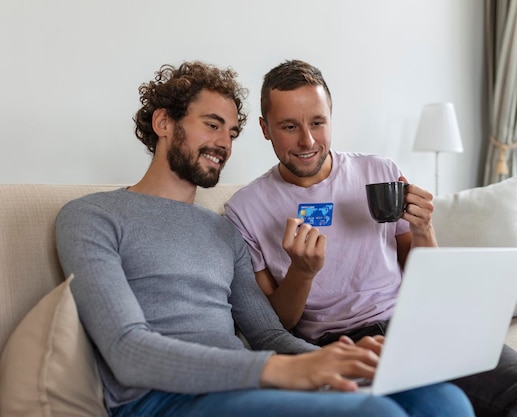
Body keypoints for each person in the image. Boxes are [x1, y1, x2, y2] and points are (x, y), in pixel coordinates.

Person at [55, 61, 474, 417]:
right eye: (212, 125)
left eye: (232, 133)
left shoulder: (222, 230)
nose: (223, 143)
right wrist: (281, 371)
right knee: (375, 412)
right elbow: (128, 352)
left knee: (442, 400)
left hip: (247, 385)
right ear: (164, 123)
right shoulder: (91, 217)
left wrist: (340, 361)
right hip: (164, 400)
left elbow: (269, 336)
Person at [224, 59, 517, 417]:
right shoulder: (245, 209)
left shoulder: (379, 172)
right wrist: (302, 273)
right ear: (265, 128)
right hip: (340, 344)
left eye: (318, 122)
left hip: (415, 324)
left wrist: (424, 229)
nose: (308, 140)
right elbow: (276, 326)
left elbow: (427, 278)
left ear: (331, 117)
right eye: (289, 126)